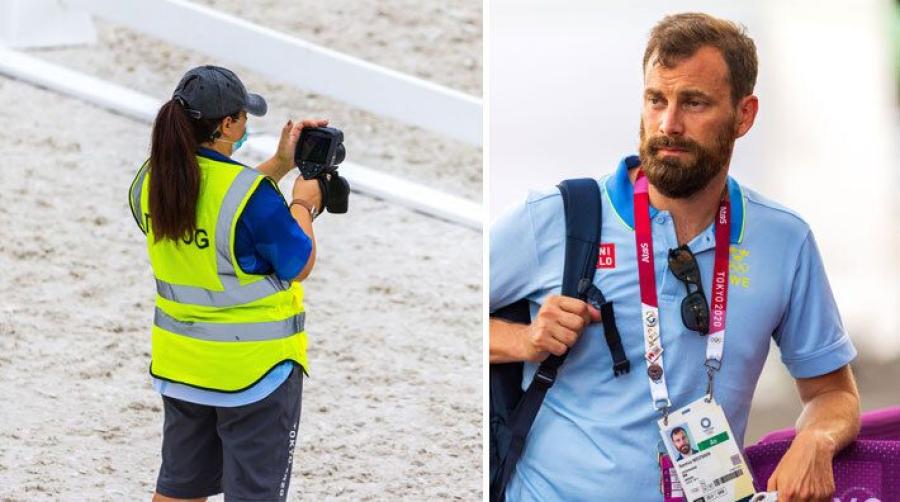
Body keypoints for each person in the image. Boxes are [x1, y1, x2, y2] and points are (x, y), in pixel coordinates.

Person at [490, 13, 860, 502]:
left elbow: (833, 392)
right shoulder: (555, 217)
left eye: (694, 102)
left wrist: (817, 438)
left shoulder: (784, 240)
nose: (668, 124)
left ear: (744, 115)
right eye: (656, 100)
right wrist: (523, 339)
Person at [128, 65, 328, 501]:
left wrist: (279, 165)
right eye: (243, 116)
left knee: (179, 491)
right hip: (255, 372)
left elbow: (216, 204)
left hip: (182, 365)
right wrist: (303, 204)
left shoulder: (153, 181)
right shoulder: (250, 195)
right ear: (227, 125)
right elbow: (299, 262)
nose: (246, 123)